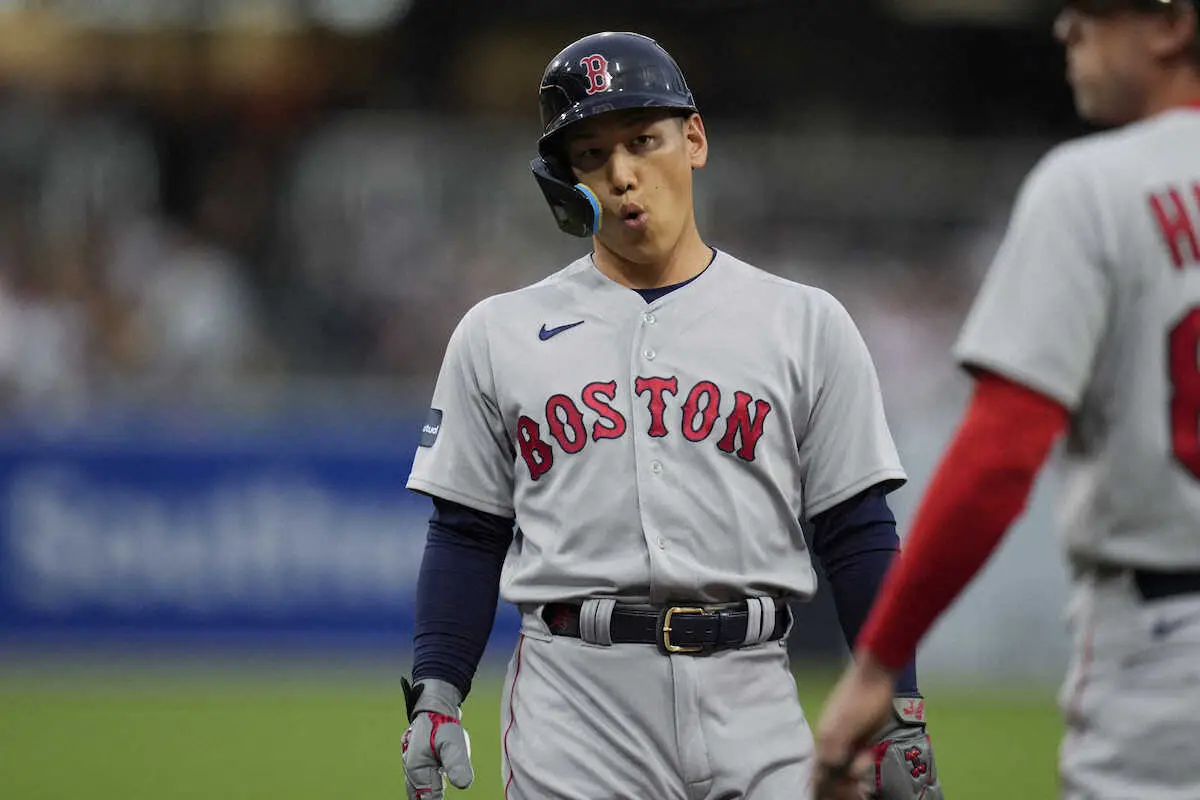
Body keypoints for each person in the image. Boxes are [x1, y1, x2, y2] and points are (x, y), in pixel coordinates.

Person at [400, 31, 942, 800]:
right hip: (578, 701)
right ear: (564, 180)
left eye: (642, 140)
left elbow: (857, 532)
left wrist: (900, 706)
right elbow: (466, 531)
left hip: (752, 688)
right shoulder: (499, 332)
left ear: (694, 139)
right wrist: (437, 691)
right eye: (589, 154)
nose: (622, 174)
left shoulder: (804, 322)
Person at [812, 1, 1200, 798]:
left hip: (1168, 651)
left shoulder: (1092, 185)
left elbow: (1000, 455)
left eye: (1093, 10)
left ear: (1171, 25)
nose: (1065, 28)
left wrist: (880, 661)